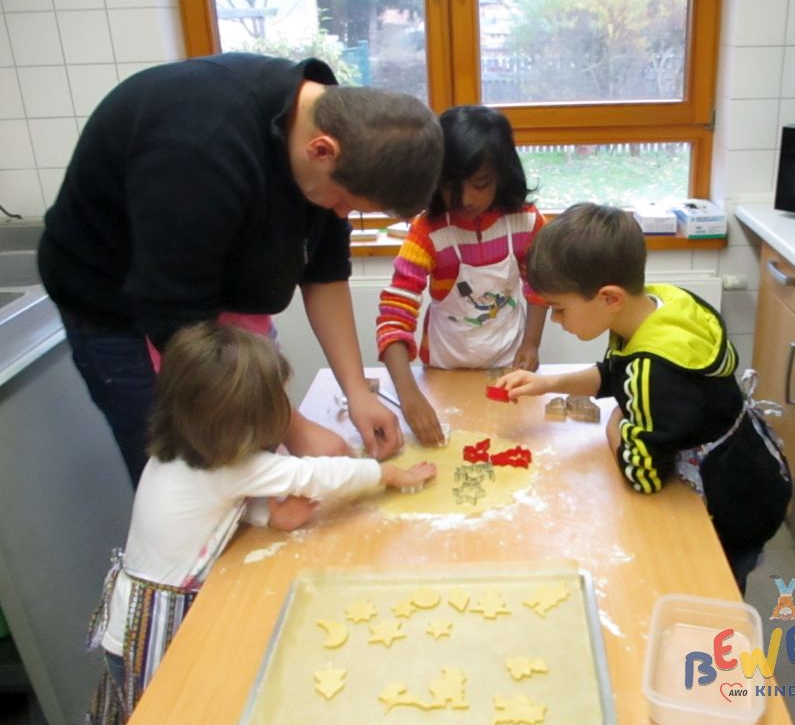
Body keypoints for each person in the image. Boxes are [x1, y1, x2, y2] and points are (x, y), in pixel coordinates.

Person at [38, 52, 444, 486]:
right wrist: (296, 427)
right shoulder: (198, 147)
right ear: (321, 150)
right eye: (343, 202)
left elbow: (324, 273)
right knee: (190, 474)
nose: (341, 215)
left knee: (257, 458)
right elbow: (179, 324)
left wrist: (356, 391)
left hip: (210, 301)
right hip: (126, 311)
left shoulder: (336, 135)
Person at [86, 323, 436, 724]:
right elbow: (313, 475)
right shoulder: (234, 469)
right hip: (159, 628)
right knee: (169, 710)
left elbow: (207, 514)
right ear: (244, 423)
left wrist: (269, 515)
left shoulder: (176, 454)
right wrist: (385, 475)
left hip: (131, 618)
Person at [496, 203, 792, 593]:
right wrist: (550, 383)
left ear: (609, 298)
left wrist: (616, 423)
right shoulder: (661, 304)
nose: (556, 320)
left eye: (559, 308)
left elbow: (644, 474)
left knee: (716, 591)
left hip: (730, 502)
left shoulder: (656, 373)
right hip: (755, 463)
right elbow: (619, 374)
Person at [376, 105, 547, 445]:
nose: (464, 198)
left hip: (507, 365)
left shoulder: (526, 222)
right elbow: (394, 317)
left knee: (504, 443)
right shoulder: (427, 233)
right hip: (444, 367)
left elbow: (541, 284)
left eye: (480, 184)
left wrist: (531, 342)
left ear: (502, 173)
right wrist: (409, 396)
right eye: (450, 185)